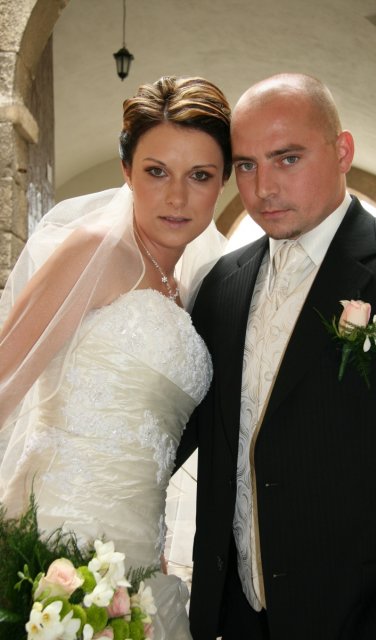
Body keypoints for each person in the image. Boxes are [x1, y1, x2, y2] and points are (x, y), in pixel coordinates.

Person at [175, 73, 376, 639]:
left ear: (342, 152)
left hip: (374, 621)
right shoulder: (221, 287)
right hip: (234, 621)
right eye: (246, 165)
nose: (263, 187)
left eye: (287, 158)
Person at [0, 75, 232, 639]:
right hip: (55, 554)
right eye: (156, 171)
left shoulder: (189, 291)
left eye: (199, 175)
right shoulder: (96, 254)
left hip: (138, 562)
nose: (176, 197)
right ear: (126, 171)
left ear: (224, 182)